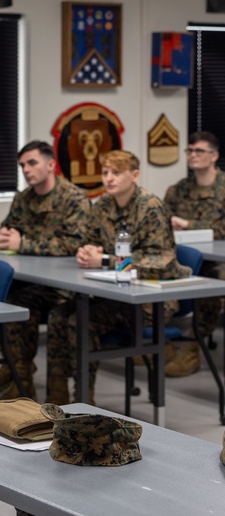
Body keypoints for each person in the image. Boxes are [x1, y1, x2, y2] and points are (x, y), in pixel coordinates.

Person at [47, 150, 191, 404]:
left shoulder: (151, 206)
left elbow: (160, 261)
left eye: (117, 172)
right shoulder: (102, 205)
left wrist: (104, 260)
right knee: (58, 315)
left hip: (149, 300)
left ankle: (83, 398)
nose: (109, 178)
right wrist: (87, 251)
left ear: (134, 175)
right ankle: (56, 394)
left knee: (80, 321)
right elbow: (91, 241)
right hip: (114, 294)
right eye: (105, 173)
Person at [0, 140, 91, 401]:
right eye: (22, 166)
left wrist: (24, 244)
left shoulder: (74, 198)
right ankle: (21, 377)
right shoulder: (23, 198)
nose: (27, 170)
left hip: (66, 284)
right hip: (35, 284)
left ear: (51, 165)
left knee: (58, 316)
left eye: (32, 163)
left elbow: (74, 243)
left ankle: (58, 388)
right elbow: (4, 228)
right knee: (11, 304)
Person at [163, 131, 225, 376]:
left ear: (214, 156)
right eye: (190, 150)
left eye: (199, 151)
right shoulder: (179, 189)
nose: (192, 155)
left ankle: (193, 346)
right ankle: (157, 342)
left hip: (215, 260)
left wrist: (188, 225)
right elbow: (161, 219)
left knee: (211, 281)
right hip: (181, 254)